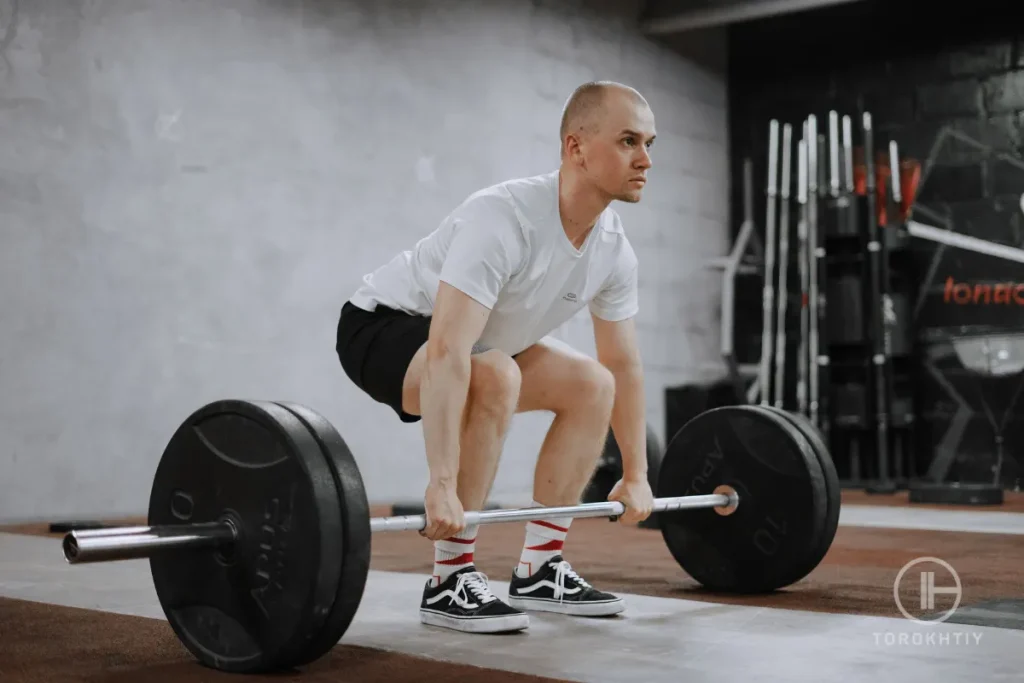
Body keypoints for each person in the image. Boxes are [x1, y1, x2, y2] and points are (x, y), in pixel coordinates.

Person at [335, 80, 657, 634]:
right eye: (629, 140)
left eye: (650, 143)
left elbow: (623, 365)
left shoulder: (612, 249)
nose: (646, 159)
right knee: (495, 373)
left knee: (592, 384)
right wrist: (439, 482)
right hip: (381, 326)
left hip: (483, 346)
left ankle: (539, 567)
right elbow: (447, 348)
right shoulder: (503, 218)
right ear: (575, 147)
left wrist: (636, 473)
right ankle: (448, 579)